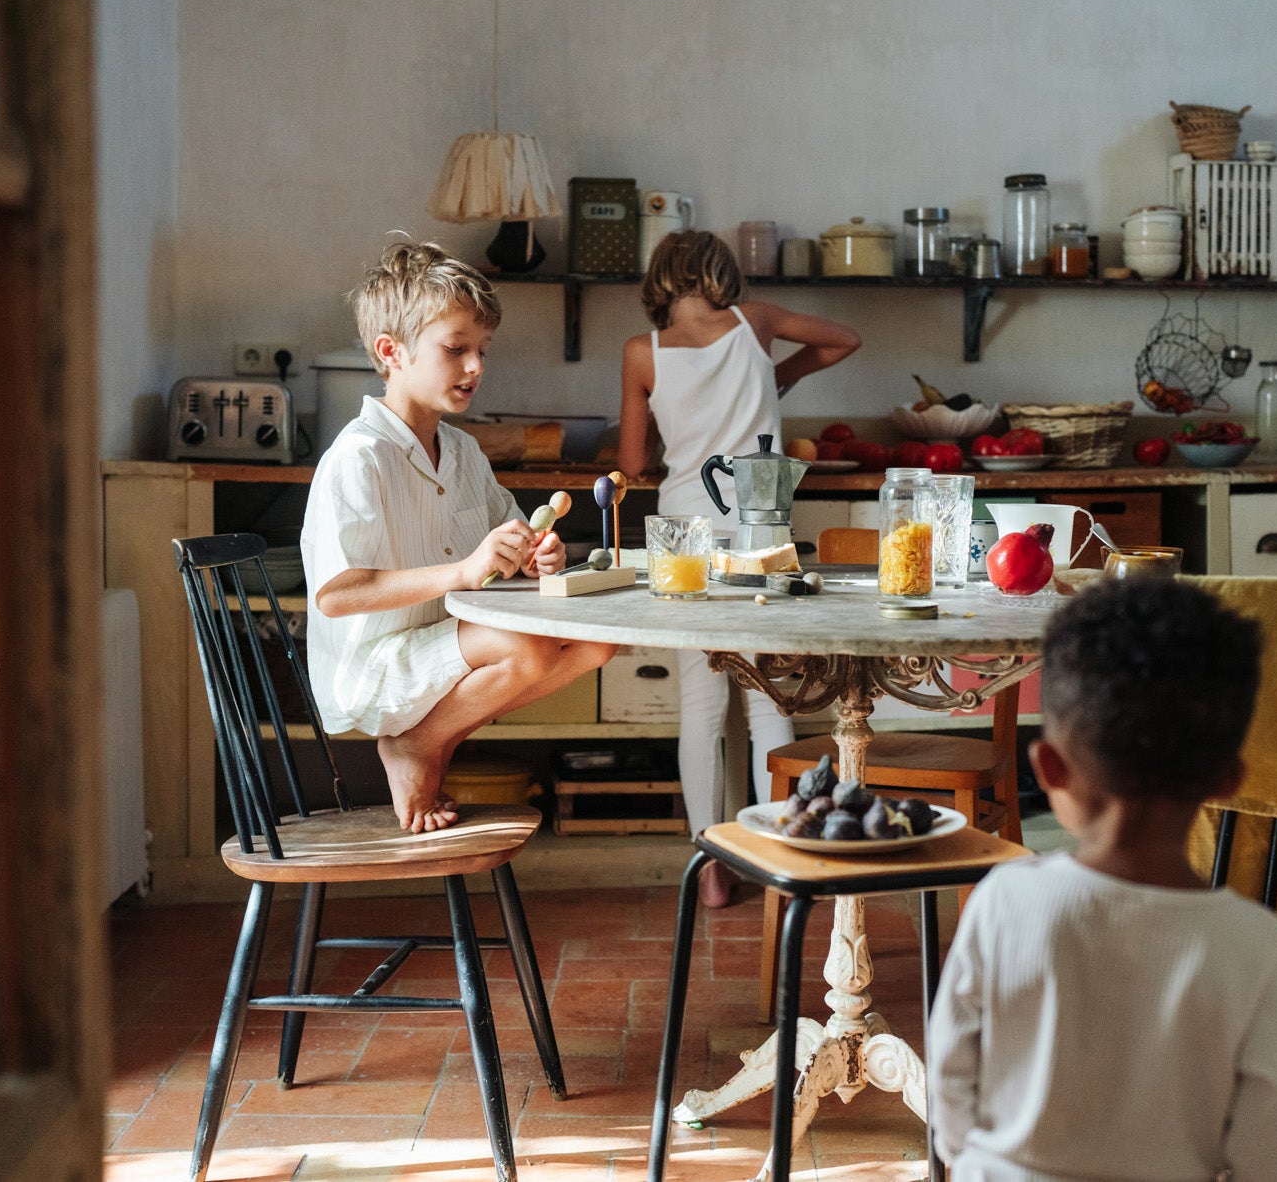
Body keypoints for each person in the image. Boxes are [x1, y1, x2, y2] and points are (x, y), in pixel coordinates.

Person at [927, 577, 1277, 1181]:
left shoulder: (1006, 900)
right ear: (1231, 780)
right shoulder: (1257, 945)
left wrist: (969, 1158)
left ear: (1049, 767)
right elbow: (1266, 1155)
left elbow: (949, 1072)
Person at [303, 238, 617, 833]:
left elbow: (503, 548)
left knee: (598, 644)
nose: (475, 366)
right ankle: (416, 745)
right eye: (455, 349)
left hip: (446, 646)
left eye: (482, 350)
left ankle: (432, 737)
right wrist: (463, 571)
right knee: (527, 647)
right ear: (390, 351)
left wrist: (533, 556)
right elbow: (338, 594)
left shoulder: (465, 451)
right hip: (376, 665)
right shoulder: (358, 457)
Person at [618, 230, 861, 906]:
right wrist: (779, 374)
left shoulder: (644, 352)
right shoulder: (756, 324)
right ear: (723, 272)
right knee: (765, 696)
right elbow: (846, 338)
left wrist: (676, 418)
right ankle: (782, 856)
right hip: (758, 519)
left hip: (683, 531)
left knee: (699, 703)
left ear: (661, 279)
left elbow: (635, 464)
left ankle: (711, 871)